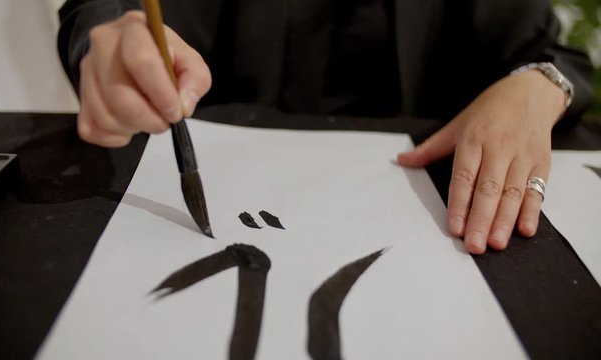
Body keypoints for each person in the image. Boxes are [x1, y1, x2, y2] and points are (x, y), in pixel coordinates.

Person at [57, 0, 593, 254]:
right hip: (232, 167)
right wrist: (111, 34)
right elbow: (109, 9)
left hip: (420, 205)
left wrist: (536, 85)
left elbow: (551, 54)